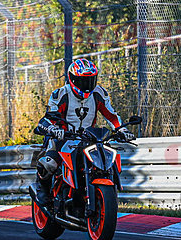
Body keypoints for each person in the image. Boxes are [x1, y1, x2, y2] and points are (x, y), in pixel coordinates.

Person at [33, 58, 135, 206]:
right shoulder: (61, 94)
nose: (86, 85)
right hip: (63, 138)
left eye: (90, 80)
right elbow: (49, 118)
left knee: (107, 158)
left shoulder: (99, 93)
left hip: (89, 138)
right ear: (72, 79)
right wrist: (53, 129)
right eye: (82, 81)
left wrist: (122, 130)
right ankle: (42, 189)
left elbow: (112, 116)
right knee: (50, 163)